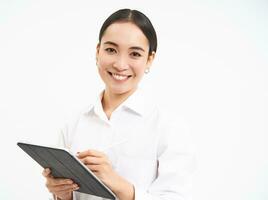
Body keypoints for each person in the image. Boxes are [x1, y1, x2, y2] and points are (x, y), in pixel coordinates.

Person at [42, 8, 196, 200]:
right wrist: (62, 195)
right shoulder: (74, 123)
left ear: (150, 59)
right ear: (98, 52)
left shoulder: (170, 127)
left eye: (135, 54)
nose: (121, 64)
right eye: (111, 50)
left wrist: (118, 184)